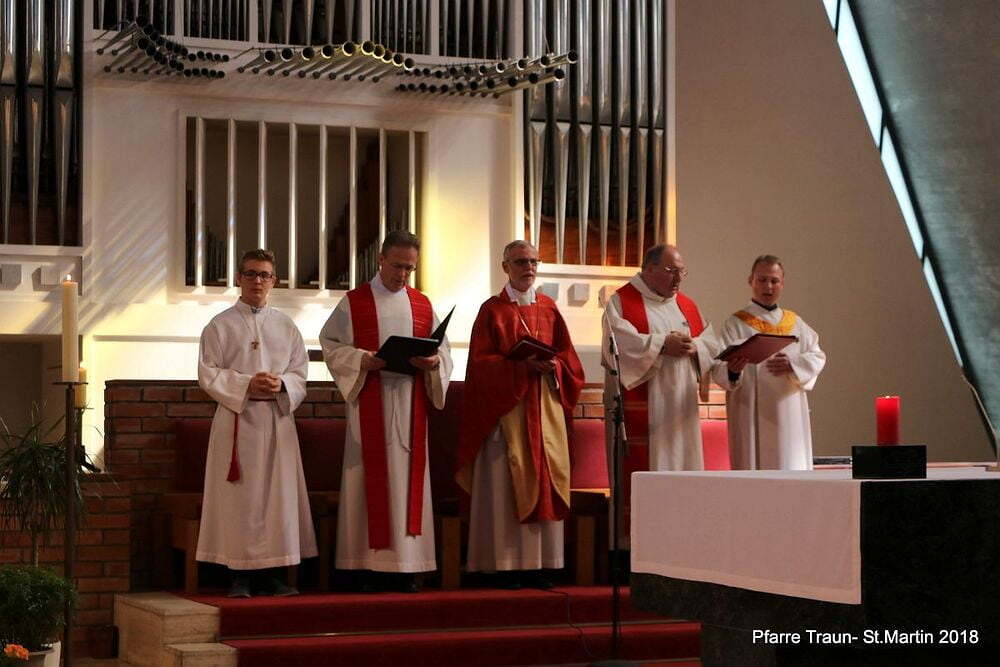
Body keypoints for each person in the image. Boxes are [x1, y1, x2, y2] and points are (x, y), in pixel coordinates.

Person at [319, 230, 452, 592]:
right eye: (397, 266)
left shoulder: (422, 304)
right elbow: (330, 345)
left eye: (409, 268)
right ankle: (365, 566)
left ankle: (408, 567)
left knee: (408, 483)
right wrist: (362, 360)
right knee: (368, 479)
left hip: (410, 404)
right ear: (380, 259)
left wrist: (434, 363)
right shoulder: (354, 302)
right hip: (371, 399)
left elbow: (443, 352)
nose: (402, 274)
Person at [457, 240, 585, 589]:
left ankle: (541, 565)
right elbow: (480, 366)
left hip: (544, 413)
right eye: (520, 262)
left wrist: (554, 365)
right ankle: (505, 565)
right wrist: (520, 367)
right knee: (504, 489)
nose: (528, 268)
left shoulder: (549, 308)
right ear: (506, 267)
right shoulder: (492, 310)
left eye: (533, 262)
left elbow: (569, 360)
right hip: (507, 416)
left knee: (545, 481)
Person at [196, 249, 317, 598]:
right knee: (241, 499)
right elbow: (207, 373)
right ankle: (239, 575)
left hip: (277, 420)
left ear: (274, 280)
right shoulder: (220, 325)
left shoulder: (286, 325)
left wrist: (282, 384)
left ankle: (273, 574)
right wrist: (247, 384)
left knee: (278, 498)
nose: (257, 281)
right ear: (238, 278)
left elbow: (299, 372)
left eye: (264, 274)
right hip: (237, 420)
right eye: (250, 274)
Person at [601, 244, 719, 547]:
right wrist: (662, 345)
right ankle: (638, 549)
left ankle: (683, 544)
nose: (678, 278)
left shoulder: (687, 306)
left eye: (682, 271)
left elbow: (711, 342)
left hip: (681, 412)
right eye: (671, 271)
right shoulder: (622, 301)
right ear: (649, 268)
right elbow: (617, 344)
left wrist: (695, 347)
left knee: (683, 475)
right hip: (647, 411)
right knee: (648, 477)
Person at [711, 255, 826, 470]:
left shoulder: (795, 323)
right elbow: (717, 365)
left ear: (783, 283)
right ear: (751, 281)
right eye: (762, 280)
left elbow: (817, 356)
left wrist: (793, 364)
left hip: (789, 411)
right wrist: (732, 371)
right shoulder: (736, 324)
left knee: (790, 467)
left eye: (774, 281)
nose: (768, 286)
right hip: (750, 411)